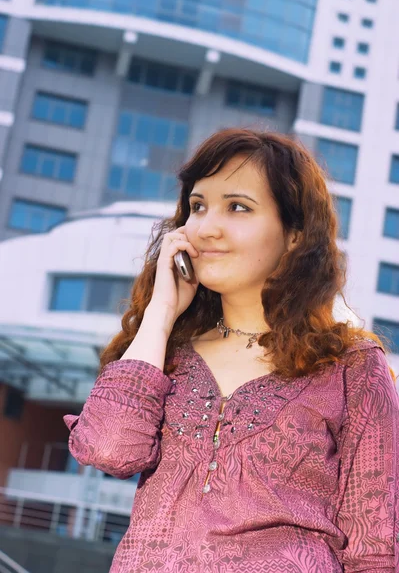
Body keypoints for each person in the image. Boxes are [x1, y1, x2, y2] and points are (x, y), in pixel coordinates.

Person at [64, 128, 399, 573]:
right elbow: (107, 450)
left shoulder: (351, 367)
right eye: (197, 207)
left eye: (238, 207)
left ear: (295, 234)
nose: (205, 228)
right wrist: (162, 312)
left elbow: (376, 548)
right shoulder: (166, 354)